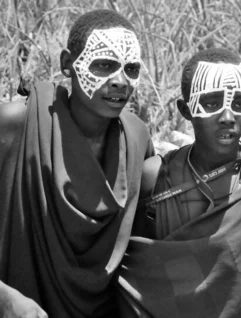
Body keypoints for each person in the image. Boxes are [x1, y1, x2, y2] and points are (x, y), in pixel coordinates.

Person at [117, 48, 241, 318]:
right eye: (212, 103)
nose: (228, 117)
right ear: (185, 109)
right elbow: (138, 269)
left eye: (239, 103)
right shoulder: (154, 179)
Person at [0, 9, 155, 318]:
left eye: (131, 68)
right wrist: (3, 297)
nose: (120, 81)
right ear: (67, 63)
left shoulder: (137, 138)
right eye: (104, 65)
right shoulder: (15, 126)